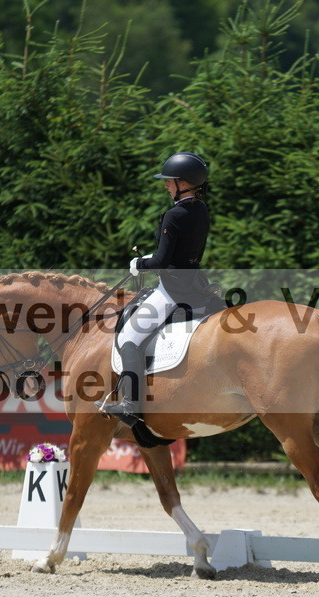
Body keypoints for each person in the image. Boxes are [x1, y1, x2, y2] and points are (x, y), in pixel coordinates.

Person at [97, 152, 211, 425]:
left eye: (170, 181)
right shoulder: (200, 209)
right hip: (196, 282)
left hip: (173, 290)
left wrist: (139, 262)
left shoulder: (174, 214)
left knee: (129, 339)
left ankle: (130, 405)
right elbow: (180, 252)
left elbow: (161, 261)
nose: (166, 185)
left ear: (183, 183)